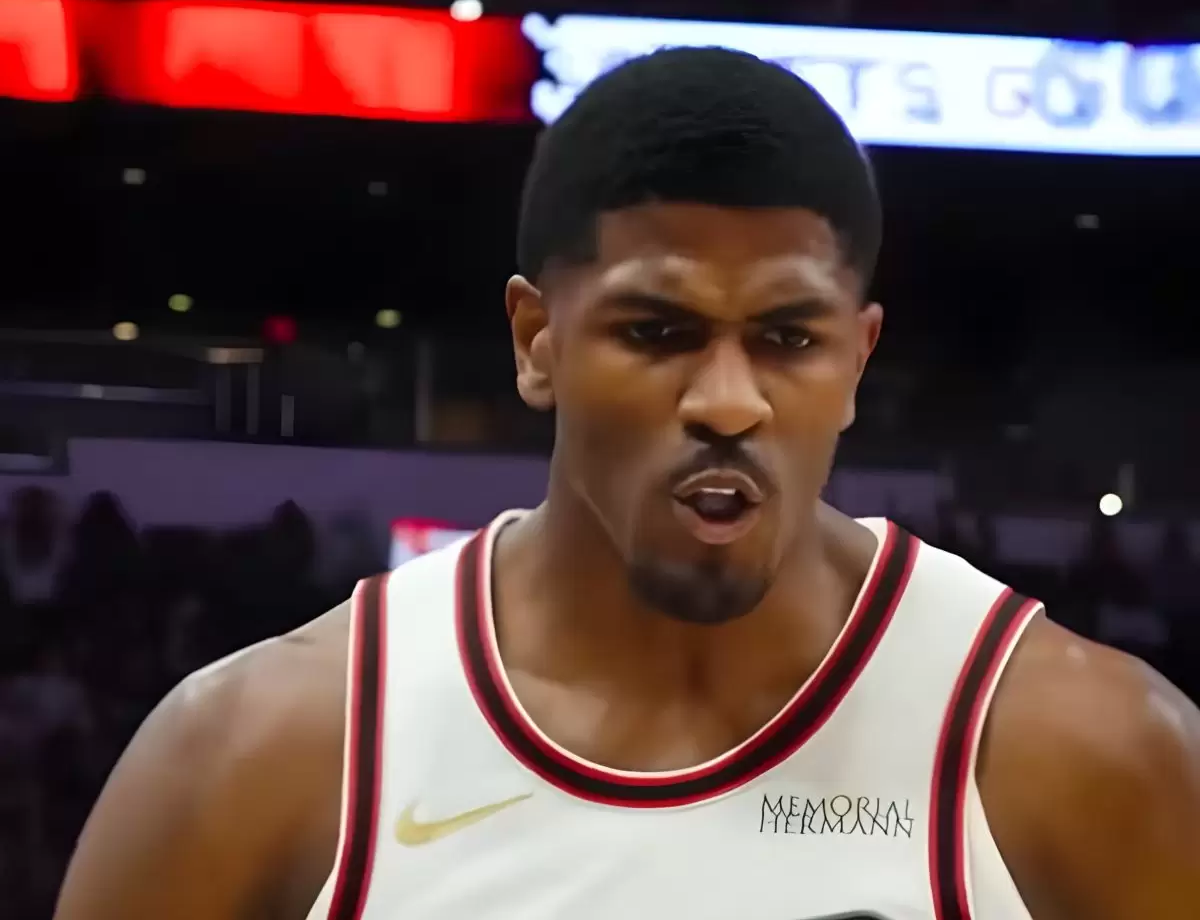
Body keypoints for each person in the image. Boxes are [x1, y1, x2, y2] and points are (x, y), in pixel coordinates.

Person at [54, 48, 1199, 920]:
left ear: (857, 360)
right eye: (657, 330)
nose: (728, 401)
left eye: (789, 339)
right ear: (537, 341)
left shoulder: (1088, 753)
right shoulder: (257, 754)